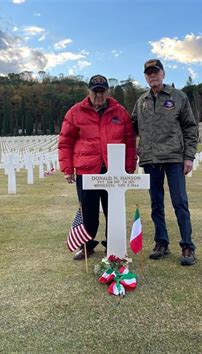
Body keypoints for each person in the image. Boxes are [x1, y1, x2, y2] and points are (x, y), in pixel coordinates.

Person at [58, 74, 137, 260]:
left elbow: (129, 141)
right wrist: (68, 168)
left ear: (108, 92)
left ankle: (114, 244)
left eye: (102, 91)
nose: (99, 96)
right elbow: (65, 142)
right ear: (88, 92)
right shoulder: (75, 112)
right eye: (95, 91)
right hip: (87, 169)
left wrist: (129, 166)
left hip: (113, 168)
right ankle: (87, 244)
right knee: (88, 209)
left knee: (113, 208)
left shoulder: (120, 112)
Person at [131, 59, 198, 266]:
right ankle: (161, 242)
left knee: (180, 202)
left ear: (163, 73)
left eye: (155, 71)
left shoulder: (178, 97)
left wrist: (189, 157)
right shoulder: (141, 101)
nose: (152, 76)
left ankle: (187, 246)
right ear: (145, 76)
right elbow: (131, 127)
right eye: (148, 73)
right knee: (156, 204)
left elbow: (190, 127)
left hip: (174, 157)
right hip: (150, 160)